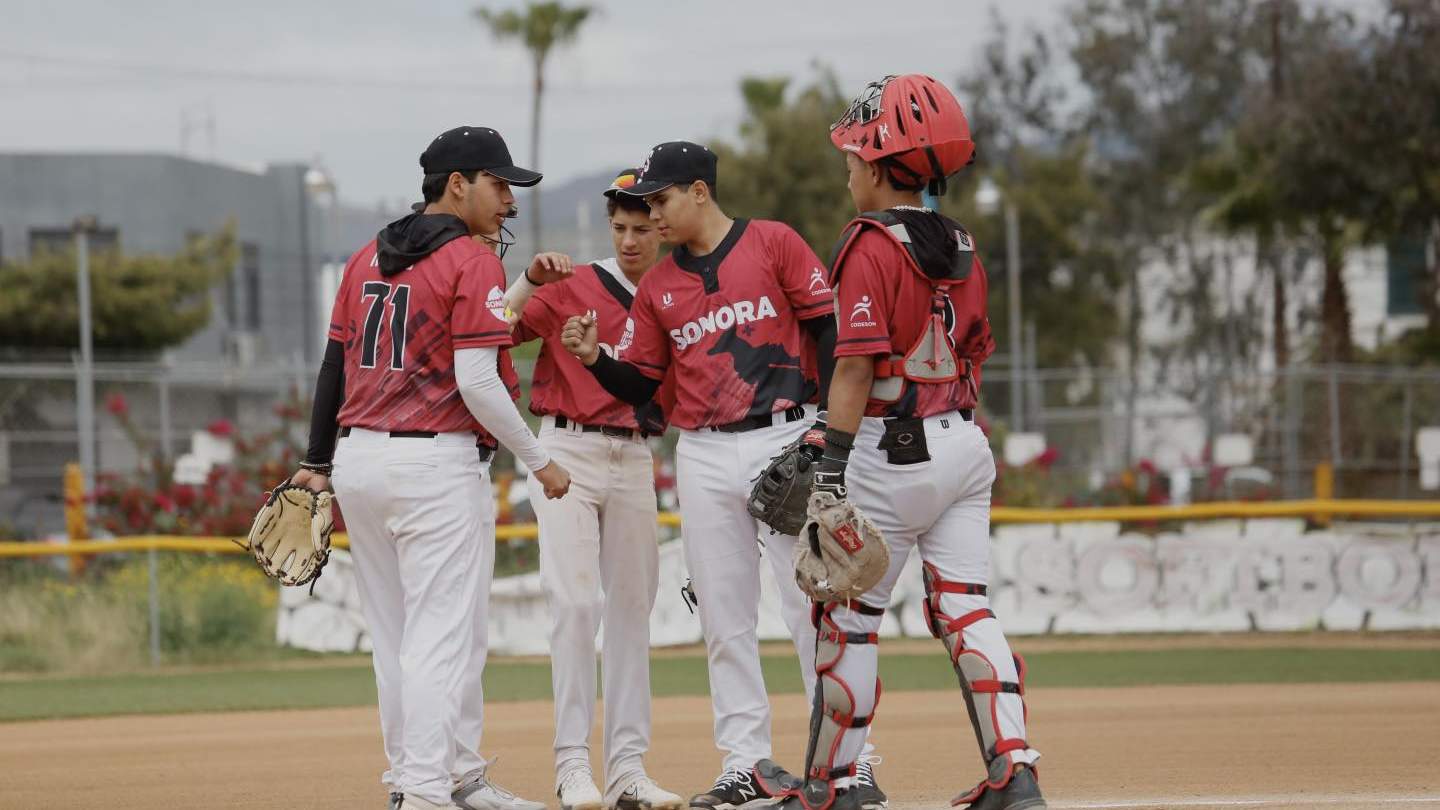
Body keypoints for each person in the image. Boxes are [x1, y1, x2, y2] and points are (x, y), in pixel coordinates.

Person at [559, 142, 887, 810]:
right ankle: (748, 762)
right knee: (724, 617)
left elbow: (829, 331)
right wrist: (595, 360)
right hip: (703, 452)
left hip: (786, 435)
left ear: (699, 192)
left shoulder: (772, 244)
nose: (651, 216)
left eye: (660, 201)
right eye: (645, 205)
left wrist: (826, 426)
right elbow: (644, 382)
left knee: (813, 605)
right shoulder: (658, 287)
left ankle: (851, 761)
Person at [776, 75, 1045, 810]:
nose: (849, 169)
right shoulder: (963, 245)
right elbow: (978, 348)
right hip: (962, 444)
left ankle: (833, 787)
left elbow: (856, 363)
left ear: (879, 163)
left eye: (855, 157)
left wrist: (830, 471)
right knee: (966, 608)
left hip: (889, 455)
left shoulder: (867, 244)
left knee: (849, 622)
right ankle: (1015, 771)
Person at [289, 125, 572, 810]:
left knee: (402, 642)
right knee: (441, 641)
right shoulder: (469, 259)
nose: (509, 200)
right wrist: (538, 459)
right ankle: (423, 791)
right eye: (499, 184)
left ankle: (449, 778)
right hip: (434, 468)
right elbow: (477, 380)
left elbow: (334, 365)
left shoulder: (364, 258)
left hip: (358, 460)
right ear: (457, 185)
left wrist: (315, 462)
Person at [501, 168, 683, 810]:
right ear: (610, 224)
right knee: (575, 605)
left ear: (661, 227)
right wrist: (528, 278)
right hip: (567, 448)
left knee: (633, 611)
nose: (630, 239)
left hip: (636, 454)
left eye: (642, 227)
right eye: (620, 226)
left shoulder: (677, 290)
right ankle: (573, 765)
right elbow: (497, 323)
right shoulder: (574, 282)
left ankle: (629, 768)